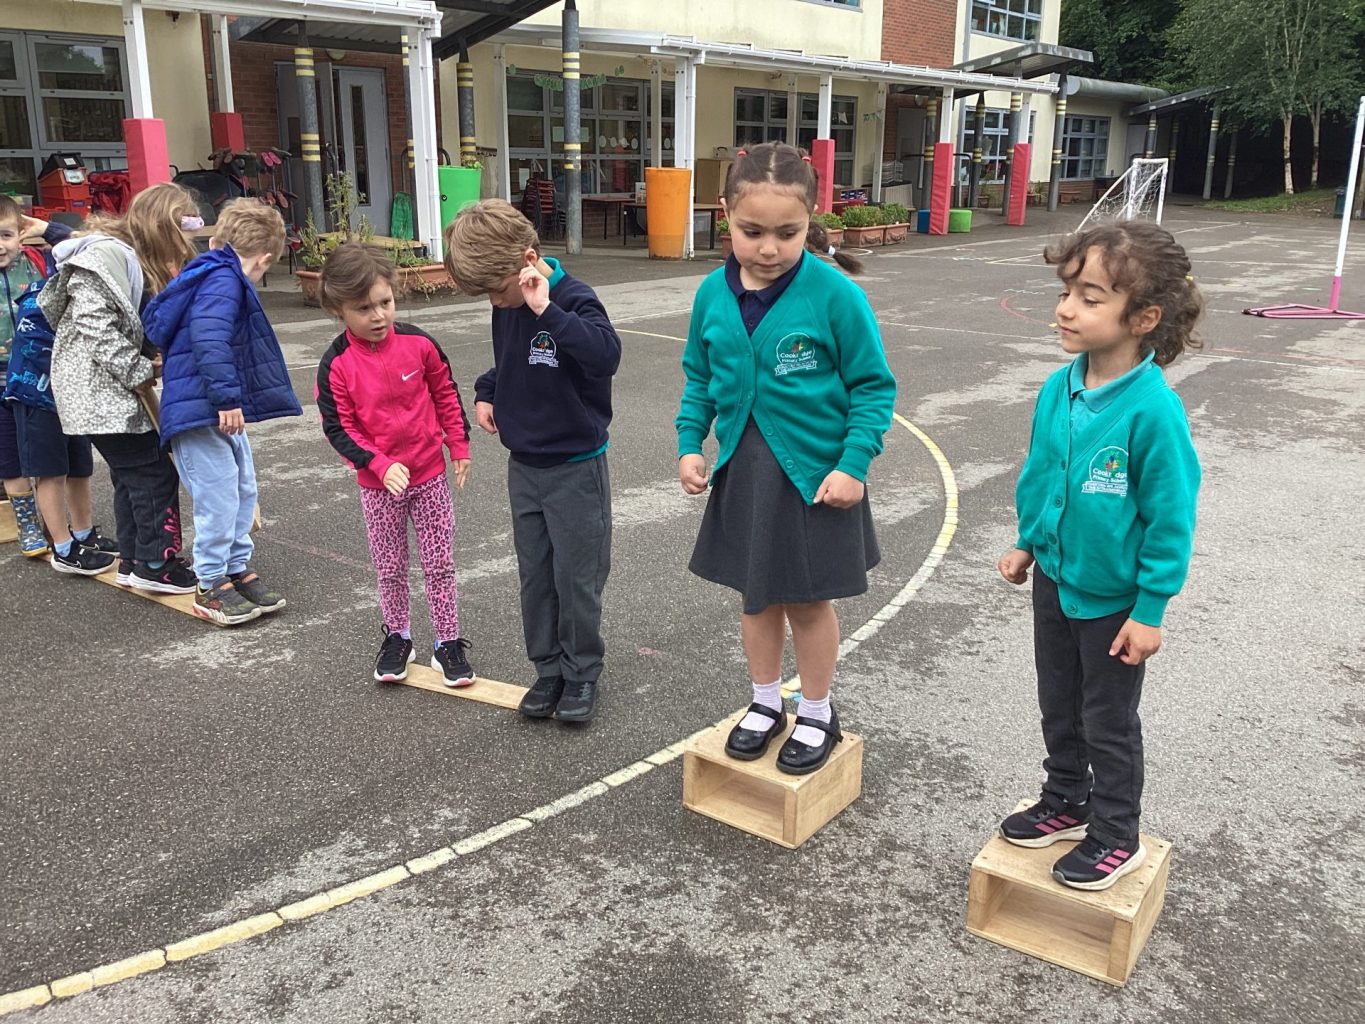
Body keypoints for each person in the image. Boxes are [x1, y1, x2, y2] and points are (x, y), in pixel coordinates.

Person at [675, 143, 896, 775]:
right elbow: (699, 378)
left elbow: (873, 386)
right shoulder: (712, 295)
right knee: (756, 597)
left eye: (787, 233)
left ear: (811, 220)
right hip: (745, 473)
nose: (769, 248)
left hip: (815, 479)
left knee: (807, 601)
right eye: (752, 232)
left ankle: (817, 711)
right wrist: (691, 443)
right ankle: (766, 702)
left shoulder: (834, 295)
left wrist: (854, 464)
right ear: (725, 214)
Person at [996, 220, 1203, 891]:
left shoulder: (1153, 411)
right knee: (1057, 703)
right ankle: (1066, 798)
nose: (1066, 308)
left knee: (1106, 721)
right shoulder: (1058, 386)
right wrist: (1027, 542)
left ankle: (1116, 835)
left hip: (1114, 603)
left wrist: (1150, 610)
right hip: (1055, 581)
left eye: (1090, 298)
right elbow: (1041, 475)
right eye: (1066, 292)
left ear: (1143, 318)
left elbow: (1170, 519)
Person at [444, 199, 620, 724]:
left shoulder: (572, 299)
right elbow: (512, 361)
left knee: (576, 578)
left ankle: (581, 672)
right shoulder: (507, 305)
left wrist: (548, 312)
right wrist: (488, 390)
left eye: (497, 290)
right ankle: (548, 670)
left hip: (575, 467)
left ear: (526, 260)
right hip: (525, 468)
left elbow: (605, 355)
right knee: (536, 576)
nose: (495, 302)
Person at [315, 244, 475, 685]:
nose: (378, 316)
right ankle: (399, 637)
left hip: (430, 477)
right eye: (363, 308)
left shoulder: (419, 344)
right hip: (379, 486)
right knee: (390, 569)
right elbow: (339, 427)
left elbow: (446, 393)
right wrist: (379, 464)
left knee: (440, 564)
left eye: (385, 302)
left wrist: (459, 446)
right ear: (338, 309)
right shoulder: (336, 364)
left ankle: (447, 643)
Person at [142, 199, 302, 625]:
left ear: (217, 241)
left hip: (212, 409)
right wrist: (228, 399)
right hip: (204, 411)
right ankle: (210, 581)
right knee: (218, 496)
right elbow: (209, 339)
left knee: (241, 489)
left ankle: (235, 566)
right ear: (264, 259)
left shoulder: (215, 274)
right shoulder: (223, 281)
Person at [40, 183, 197, 592]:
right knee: (152, 473)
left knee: (132, 474)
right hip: (98, 392)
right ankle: (156, 565)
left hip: (105, 391)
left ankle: (133, 559)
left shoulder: (122, 257)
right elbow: (97, 326)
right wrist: (139, 368)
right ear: (161, 228)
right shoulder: (103, 257)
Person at [1, 197, 115, 564]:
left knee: (75, 460)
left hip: (55, 379)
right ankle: (34, 528)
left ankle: (81, 532)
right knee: (14, 461)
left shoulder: (39, 263)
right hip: (9, 382)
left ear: (21, 234)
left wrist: (47, 229)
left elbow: (83, 245)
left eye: (5, 235)